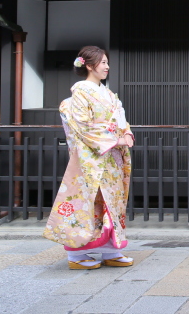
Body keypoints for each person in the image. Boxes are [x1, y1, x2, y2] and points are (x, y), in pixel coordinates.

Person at [43, 46, 135, 270]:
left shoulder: (107, 93)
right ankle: (77, 255)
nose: (107, 67)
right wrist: (117, 139)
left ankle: (109, 250)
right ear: (90, 65)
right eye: (103, 62)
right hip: (91, 158)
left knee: (111, 202)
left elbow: (119, 118)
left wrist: (127, 132)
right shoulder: (81, 92)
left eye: (106, 62)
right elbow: (83, 126)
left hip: (111, 158)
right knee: (88, 202)